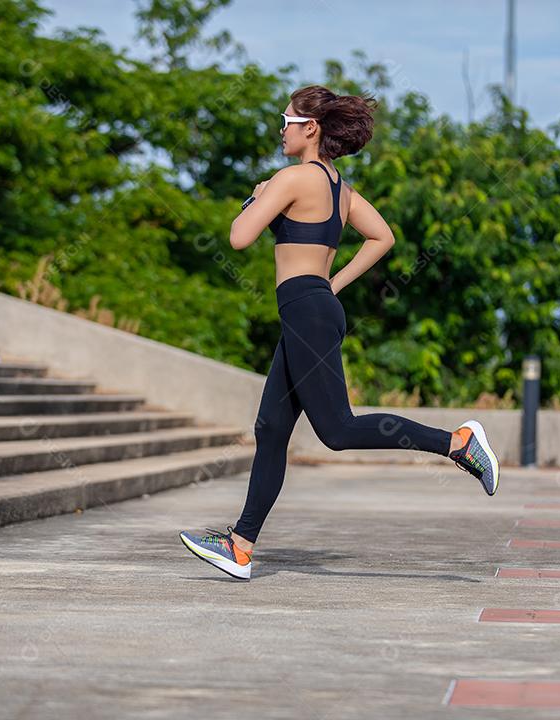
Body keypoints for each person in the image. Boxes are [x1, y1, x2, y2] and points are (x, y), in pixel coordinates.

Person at [180, 85, 500, 581]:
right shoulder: (339, 188)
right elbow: (383, 236)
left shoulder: (293, 179)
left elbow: (239, 237)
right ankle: (240, 546)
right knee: (270, 430)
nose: (280, 129)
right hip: (313, 307)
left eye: (286, 120)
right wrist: (334, 283)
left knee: (337, 430)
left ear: (310, 128)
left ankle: (456, 442)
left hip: (306, 311)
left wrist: (259, 194)